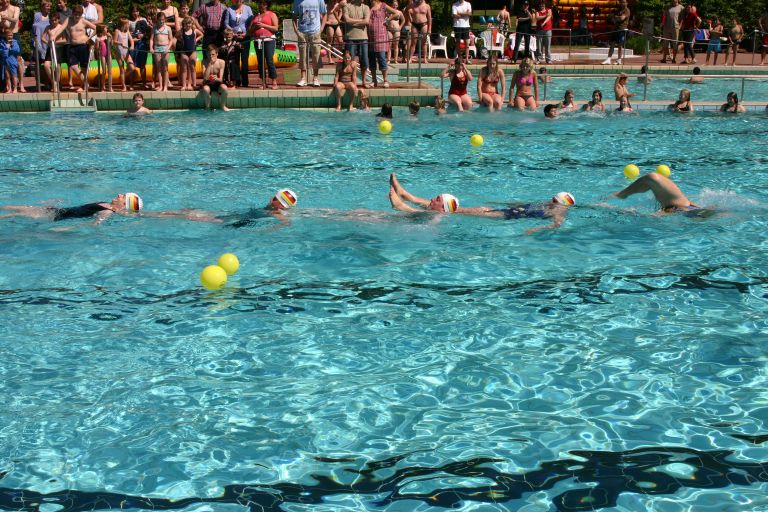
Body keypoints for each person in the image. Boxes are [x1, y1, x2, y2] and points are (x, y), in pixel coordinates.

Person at [389, 174, 575, 234]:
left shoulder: (559, 211)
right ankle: (408, 197)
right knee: (458, 209)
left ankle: (406, 202)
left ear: (559, 201)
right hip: (505, 210)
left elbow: (556, 225)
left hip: (505, 216)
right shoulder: (548, 204)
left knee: (460, 210)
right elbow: (522, 204)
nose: (551, 200)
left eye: (554, 200)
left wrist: (537, 229)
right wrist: (499, 202)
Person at [0, 193, 143, 224]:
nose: (120, 194)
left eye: (123, 196)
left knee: (15, 214)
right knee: (18, 207)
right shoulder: (105, 203)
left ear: (125, 204)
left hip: (56, 217)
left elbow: (94, 224)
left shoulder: (107, 211)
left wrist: (68, 228)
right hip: (57, 210)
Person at [611, 173, 711, 216]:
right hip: (682, 208)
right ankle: (622, 194)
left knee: (652, 178)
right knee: (652, 178)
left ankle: (622, 194)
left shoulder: (676, 208)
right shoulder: (684, 207)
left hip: (679, 207)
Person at [65, 5, 97, 93]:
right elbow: (62, 28)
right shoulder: (69, 20)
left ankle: (83, 86)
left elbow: (96, 28)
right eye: (75, 14)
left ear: (81, 14)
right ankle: (86, 83)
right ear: (73, 13)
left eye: (79, 15)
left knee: (84, 68)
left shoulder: (83, 21)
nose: (77, 16)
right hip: (73, 46)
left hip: (83, 46)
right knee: (73, 66)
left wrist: (89, 38)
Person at [249, 0, 279, 89]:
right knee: (260, 61)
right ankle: (263, 82)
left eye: (261, 4)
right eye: (259, 3)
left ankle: (274, 81)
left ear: (266, 5)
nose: (259, 5)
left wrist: (263, 25)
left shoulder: (272, 14)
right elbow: (250, 30)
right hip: (257, 41)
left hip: (269, 40)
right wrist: (255, 27)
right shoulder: (255, 16)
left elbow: (275, 28)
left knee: (269, 60)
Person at [368, 0, 398, 87]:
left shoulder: (383, 5)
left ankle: (385, 80)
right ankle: (374, 81)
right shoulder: (369, 8)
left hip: (381, 36)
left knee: (382, 58)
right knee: (372, 60)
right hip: (370, 37)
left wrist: (387, 20)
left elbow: (396, 13)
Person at [225, 0, 253, 87]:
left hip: (245, 37)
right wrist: (233, 33)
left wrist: (246, 33)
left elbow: (251, 22)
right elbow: (226, 23)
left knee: (244, 60)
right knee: (235, 60)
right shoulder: (229, 9)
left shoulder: (248, 9)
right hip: (234, 37)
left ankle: (245, 81)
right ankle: (237, 81)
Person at [342, 0, 369, 85]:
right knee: (349, 61)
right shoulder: (347, 6)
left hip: (363, 37)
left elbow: (366, 21)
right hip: (350, 38)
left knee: (364, 61)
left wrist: (353, 22)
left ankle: (364, 81)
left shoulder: (366, 7)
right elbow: (347, 20)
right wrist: (361, 21)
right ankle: (351, 81)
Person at [128, 4, 152, 90]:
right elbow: (126, 33)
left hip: (142, 44)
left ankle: (144, 83)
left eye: (137, 11)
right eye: (133, 11)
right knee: (132, 65)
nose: (135, 13)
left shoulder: (143, 20)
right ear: (131, 12)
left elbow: (148, 31)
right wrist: (133, 36)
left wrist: (143, 35)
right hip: (133, 45)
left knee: (142, 65)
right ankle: (131, 84)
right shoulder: (129, 22)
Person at [201, 44, 230, 110]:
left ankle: (222, 106)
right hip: (208, 83)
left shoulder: (221, 62)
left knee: (225, 88)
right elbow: (205, 78)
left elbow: (221, 79)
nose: (211, 56)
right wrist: (209, 64)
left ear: (217, 54)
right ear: (206, 54)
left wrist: (216, 78)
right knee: (205, 89)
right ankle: (207, 107)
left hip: (217, 83)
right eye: (209, 55)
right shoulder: (204, 62)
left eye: (213, 54)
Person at [150, 12, 174, 92]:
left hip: (165, 48)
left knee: (165, 68)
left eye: (163, 20)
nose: (161, 21)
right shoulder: (154, 28)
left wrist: (168, 48)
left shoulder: (168, 28)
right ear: (157, 20)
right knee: (159, 69)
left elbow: (171, 39)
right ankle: (160, 86)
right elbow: (151, 39)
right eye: (160, 20)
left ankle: (165, 87)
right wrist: (151, 48)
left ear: (165, 20)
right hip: (157, 48)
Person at [177, 16, 202, 91]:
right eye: (187, 23)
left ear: (192, 23)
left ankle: (193, 85)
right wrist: (180, 40)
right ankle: (184, 85)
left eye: (189, 23)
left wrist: (196, 40)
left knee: (192, 69)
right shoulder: (182, 31)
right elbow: (175, 37)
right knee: (184, 69)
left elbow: (201, 34)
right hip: (184, 52)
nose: (188, 25)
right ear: (184, 24)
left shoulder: (194, 30)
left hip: (193, 51)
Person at [601, 0, 629, 65]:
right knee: (612, 44)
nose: (622, 3)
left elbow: (622, 18)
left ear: (626, 3)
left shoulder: (627, 10)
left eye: (624, 2)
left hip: (622, 29)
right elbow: (612, 18)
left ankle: (619, 60)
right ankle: (608, 59)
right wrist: (617, 17)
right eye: (621, 2)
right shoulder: (618, 10)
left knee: (620, 45)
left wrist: (616, 17)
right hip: (615, 29)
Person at [113, 18, 135, 92]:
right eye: (127, 24)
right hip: (119, 53)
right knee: (122, 70)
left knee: (132, 67)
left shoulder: (127, 31)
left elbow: (131, 40)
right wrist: (120, 43)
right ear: (123, 25)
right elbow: (114, 41)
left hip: (126, 52)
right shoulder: (117, 31)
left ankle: (122, 76)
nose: (128, 25)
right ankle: (124, 86)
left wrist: (132, 46)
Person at [407, 0, 431, 64]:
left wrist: (429, 29)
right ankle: (410, 58)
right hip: (414, 24)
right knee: (413, 43)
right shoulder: (412, 5)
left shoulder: (427, 6)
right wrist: (410, 16)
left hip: (424, 24)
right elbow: (407, 12)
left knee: (424, 43)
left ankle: (425, 58)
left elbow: (429, 18)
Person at [0, 27, 20, 93]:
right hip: (5, 61)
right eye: (8, 35)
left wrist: (11, 47)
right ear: (5, 35)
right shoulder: (2, 43)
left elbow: (17, 50)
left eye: (11, 35)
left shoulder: (15, 42)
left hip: (12, 61)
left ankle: (15, 88)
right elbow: (1, 51)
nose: (10, 37)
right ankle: (9, 88)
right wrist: (6, 48)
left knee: (14, 75)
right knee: (7, 76)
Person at [533, 0, 552, 65]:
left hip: (548, 30)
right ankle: (539, 59)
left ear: (545, 5)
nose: (542, 5)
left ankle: (548, 59)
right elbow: (537, 18)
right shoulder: (537, 12)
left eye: (543, 4)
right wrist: (545, 15)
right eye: (540, 4)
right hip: (539, 30)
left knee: (547, 45)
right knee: (539, 45)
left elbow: (549, 17)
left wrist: (543, 23)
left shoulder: (549, 10)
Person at [94, 24, 111, 91]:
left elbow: (111, 44)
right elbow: (97, 48)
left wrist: (111, 38)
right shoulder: (98, 38)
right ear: (102, 30)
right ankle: (103, 86)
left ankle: (110, 86)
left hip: (108, 54)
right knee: (104, 70)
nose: (107, 30)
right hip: (102, 54)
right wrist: (98, 47)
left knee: (110, 71)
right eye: (106, 28)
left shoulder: (107, 36)